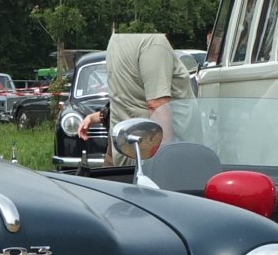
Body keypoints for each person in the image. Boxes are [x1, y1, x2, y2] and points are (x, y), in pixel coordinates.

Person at [77, 32, 193, 161]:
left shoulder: (116, 40)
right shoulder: (153, 42)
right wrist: (164, 161)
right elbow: (157, 104)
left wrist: (98, 116)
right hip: (159, 156)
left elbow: (127, 97)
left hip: (130, 152)